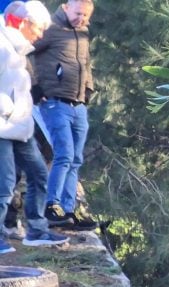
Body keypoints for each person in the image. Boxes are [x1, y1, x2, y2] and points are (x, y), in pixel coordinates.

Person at [0, 0, 68, 254]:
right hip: (3, 127)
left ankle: (37, 231)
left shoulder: (18, 50)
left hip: (21, 126)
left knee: (39, 174)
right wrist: (7, 109)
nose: (40, 35)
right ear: (23, 23)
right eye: (38, 29)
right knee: (4, 183)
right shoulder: (2, 46)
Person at [31, 0, 97, 230]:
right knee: (64, 154)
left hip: (78, 104)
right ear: (66, 7)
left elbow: (86, 64)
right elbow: (23, 53)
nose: (82, 19)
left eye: (86, 16)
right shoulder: (50, 29)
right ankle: (52, 206)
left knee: (76, 158)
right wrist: (34, 87)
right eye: (79, 13)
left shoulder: (83, 32)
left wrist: (88, 89)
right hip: (54, 102)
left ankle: (69, 211)